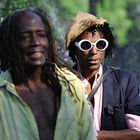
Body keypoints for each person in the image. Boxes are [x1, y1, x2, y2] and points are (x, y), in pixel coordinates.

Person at [0, 8, 97, 140]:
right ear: (10, 43)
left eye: (41, 35)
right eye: (25, 36)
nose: (35, 42)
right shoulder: (2, 95)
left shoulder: (71, 86)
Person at [65, 11, 140, 140]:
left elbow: (138, 132)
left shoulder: (125, 81)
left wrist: (98, 136)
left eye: (100, 45)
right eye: (86, 45)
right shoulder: (62, 83)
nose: (94, 51)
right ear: (75, 50)